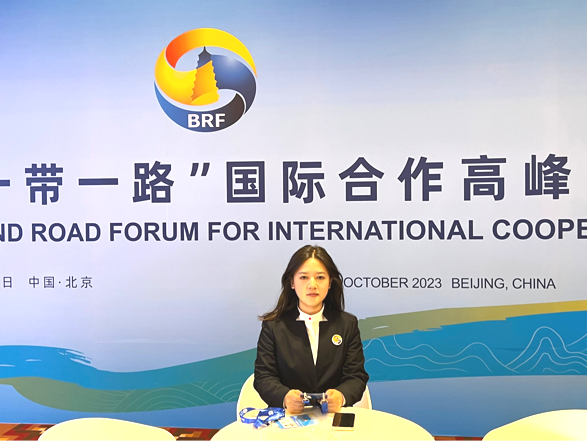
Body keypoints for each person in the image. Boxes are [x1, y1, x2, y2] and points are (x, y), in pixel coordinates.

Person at [254, 245, 369, 414]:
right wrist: (285, 397)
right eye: (304, 277)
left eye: (320, 277)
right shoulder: (273, 326)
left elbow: (356, 376)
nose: (312, 285)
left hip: (332, 417)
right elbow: (263, 377)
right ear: (292, 282)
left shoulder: (347, 324)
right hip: (289, 418)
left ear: (330, 282)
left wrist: (341, 396)